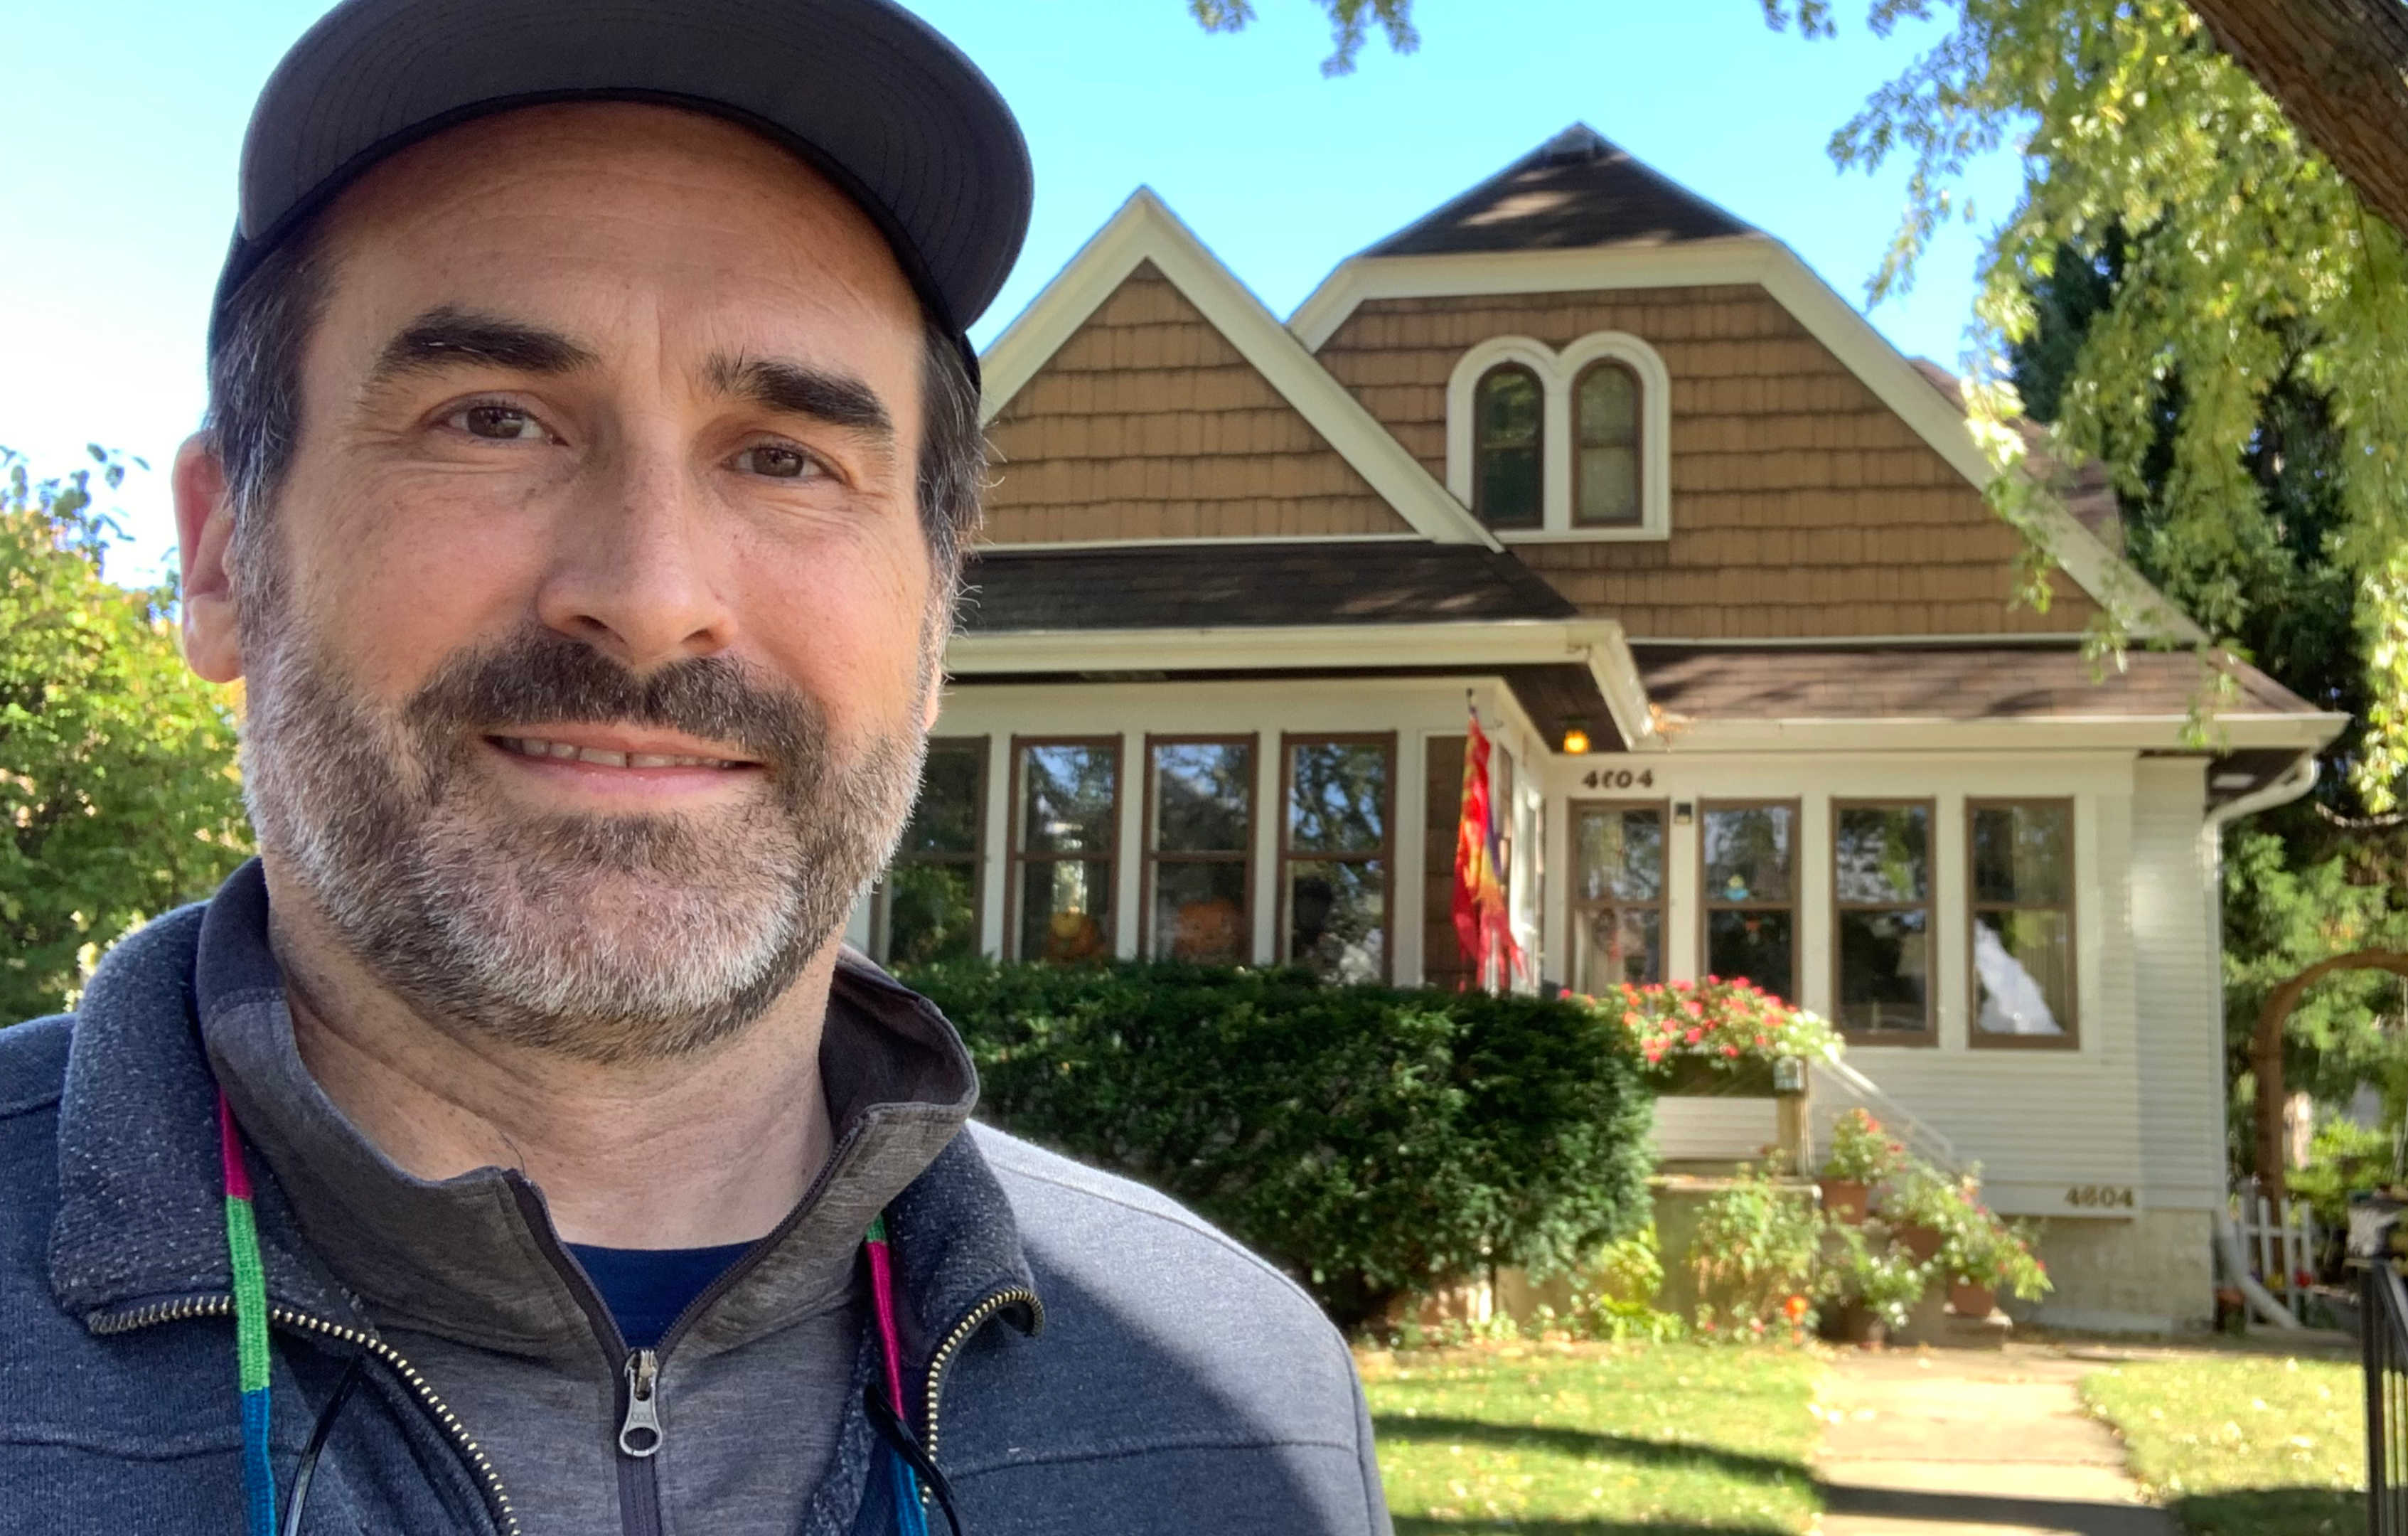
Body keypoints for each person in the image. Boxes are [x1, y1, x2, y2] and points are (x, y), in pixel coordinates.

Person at [0, 1, 1392, 1531]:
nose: (654, 592)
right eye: (497, 420)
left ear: (935, 620)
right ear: (220, 562)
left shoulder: (1251, 1418)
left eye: (786, 454)